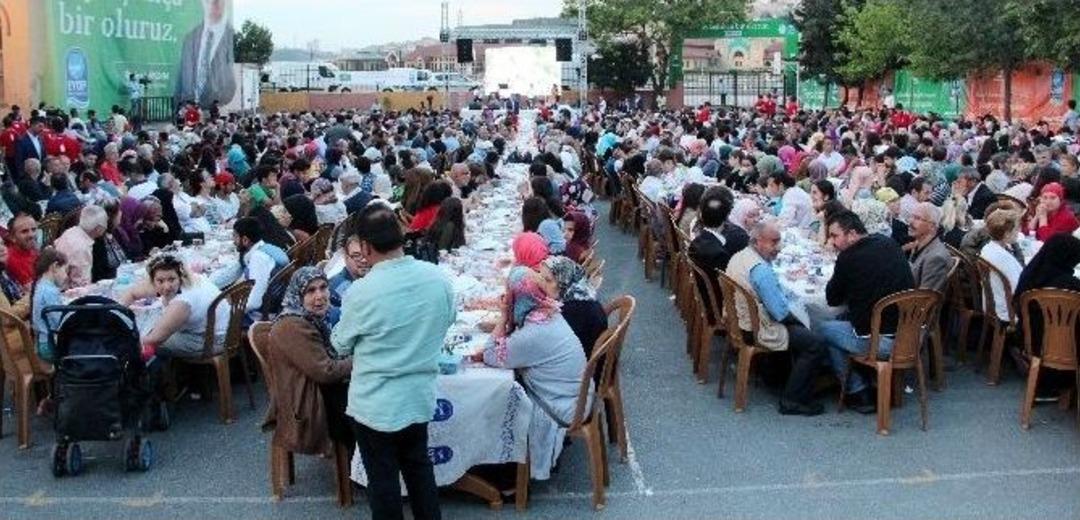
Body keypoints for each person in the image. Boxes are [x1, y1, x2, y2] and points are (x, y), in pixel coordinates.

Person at [331, 205, 455, 520]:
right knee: (419, 470)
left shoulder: (361, 292)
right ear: (401, 236)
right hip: (417, 394)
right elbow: (449, 318)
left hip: (376, 403)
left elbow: (340, 343)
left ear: (367, 248)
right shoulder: (436, 277)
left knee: (383, 481)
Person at [481, 265, 585, 481]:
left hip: (559, 405)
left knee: (492, 397)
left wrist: (503, 317)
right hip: (571, 392)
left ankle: (502, 477)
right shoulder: (546, 314)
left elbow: (490, 355)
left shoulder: (535, 332)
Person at [726, 221, 829, 415]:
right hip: (754, 329)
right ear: (757, 242)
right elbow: (780, 313)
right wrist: (802, 325)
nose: (778, 248)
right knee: (815, 342)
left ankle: (777, 376)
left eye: (778, 242)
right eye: (773, 243)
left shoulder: (740, 256)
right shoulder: (761, 271)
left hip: (740, 321)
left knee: (800, 326)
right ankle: (793, 400)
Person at [819, 210, 916, 414]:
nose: (833, 242)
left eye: (835, 236)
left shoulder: (848, 258)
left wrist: (840, 269)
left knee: (823, 328)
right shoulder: (888, 242)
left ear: (852, 234)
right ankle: (870, 379)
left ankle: (857, 390)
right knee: (844, 319)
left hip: (881, 342)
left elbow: (832, 298)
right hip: (911, 333)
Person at [266, 267, 353, 457]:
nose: (320, 296)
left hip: (318, 391)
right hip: (306, 407)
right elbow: (326, 371)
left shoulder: (312, 319)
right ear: (298, 295)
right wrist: (361, 359)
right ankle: (364, 476)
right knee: (368, 416)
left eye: (323, 287)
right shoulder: (292, 325)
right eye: (311, 291)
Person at [122, 255, 230, 360]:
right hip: (223, 329)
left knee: (148, 341)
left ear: (180, 277)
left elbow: (152, 340)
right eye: (160, 281)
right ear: (153, 280)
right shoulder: (193, 278)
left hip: (212, 341)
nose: (167, 286)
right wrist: (115, 314)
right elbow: (132, 293)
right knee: (152, 323)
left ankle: (160, 374)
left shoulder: (182, 302)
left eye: (171, 279)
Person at [211, 217, 290, 323]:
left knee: (208, 318)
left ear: (245, 240)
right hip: (269, 308)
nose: (233, 241)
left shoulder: (259, 258)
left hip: (259, 317)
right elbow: (243, 280)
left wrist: (226, 310)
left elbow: (254, 302)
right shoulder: (265, 247)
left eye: (235, 236)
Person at [540, 256, 606, 357]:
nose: (543, 285)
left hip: (584, 364)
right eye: (542, 279)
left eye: (548, 280)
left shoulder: (574, 310)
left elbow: (552, 345)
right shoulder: (582, 293)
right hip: (584, 351)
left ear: (563, 281)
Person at [175, 0, 236, 108]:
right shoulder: (190, 38)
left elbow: (230, 84)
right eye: (209, 1)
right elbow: (182, 80)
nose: (214, 4)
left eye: (217, 1)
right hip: (190, 109)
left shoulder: (229, 35)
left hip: (215, 106)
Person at [980, 209, 1024, 323]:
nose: (1019, 231)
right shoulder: (1002, 257)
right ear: (1007, 233)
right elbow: (1019, 288)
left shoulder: (988, 248)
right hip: (1006, 311)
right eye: (1016, 229)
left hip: (993, 304)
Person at [53, 205, 107, 288]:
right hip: (66, 291)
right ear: (98, 228)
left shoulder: (71, 231)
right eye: (105, 223)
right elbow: (81, 284)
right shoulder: (82, 248)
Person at [30, 247, 67, 363]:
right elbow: (59, 323)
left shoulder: (42, 285)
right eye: (65, 270)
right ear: (55, 267)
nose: (66, 276)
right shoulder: (49, 292)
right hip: (49, 346)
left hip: (43, 341)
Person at [906, 202, 952, 293]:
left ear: (932, 226)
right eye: (911, 216)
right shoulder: (918, 245)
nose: (910, 221)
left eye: (917, 218)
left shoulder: (936, 258)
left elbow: (925, 300)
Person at [91, 201, 128, 282]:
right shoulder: (96, 242)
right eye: (118, 211)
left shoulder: (117, 233)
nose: (121, 213)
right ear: (110, 217)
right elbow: (99, 274)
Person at [328, 236, 368, 308]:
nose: (364, 260)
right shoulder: (339, 284)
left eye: (366, 255)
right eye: (357, 256)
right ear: (346, 258)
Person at [6, 213, 39, 288]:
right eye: (24, 231)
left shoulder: (33, 249)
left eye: (34, 229)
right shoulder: (11, 260)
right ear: (12, 237)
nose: (31, 235)